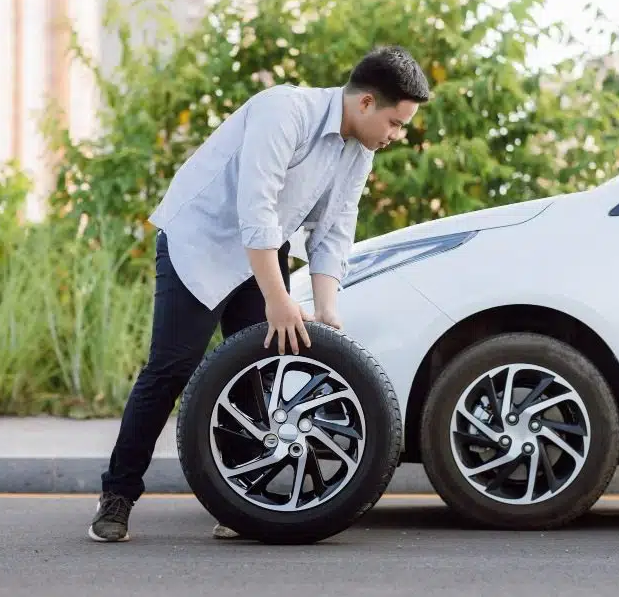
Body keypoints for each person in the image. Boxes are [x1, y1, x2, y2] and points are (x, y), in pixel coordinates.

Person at [87, 46, 431, 542]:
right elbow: (257, 207)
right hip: (202, 241)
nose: (397, 136)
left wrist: (327, 309)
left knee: (255, 375)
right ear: (365, 103)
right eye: (396, 123)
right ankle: (117, 496)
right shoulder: (283, 110)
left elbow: (334, 231)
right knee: (171, 369)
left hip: (264, 249)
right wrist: (278, 298)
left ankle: (239, 500)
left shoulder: (360, 149)